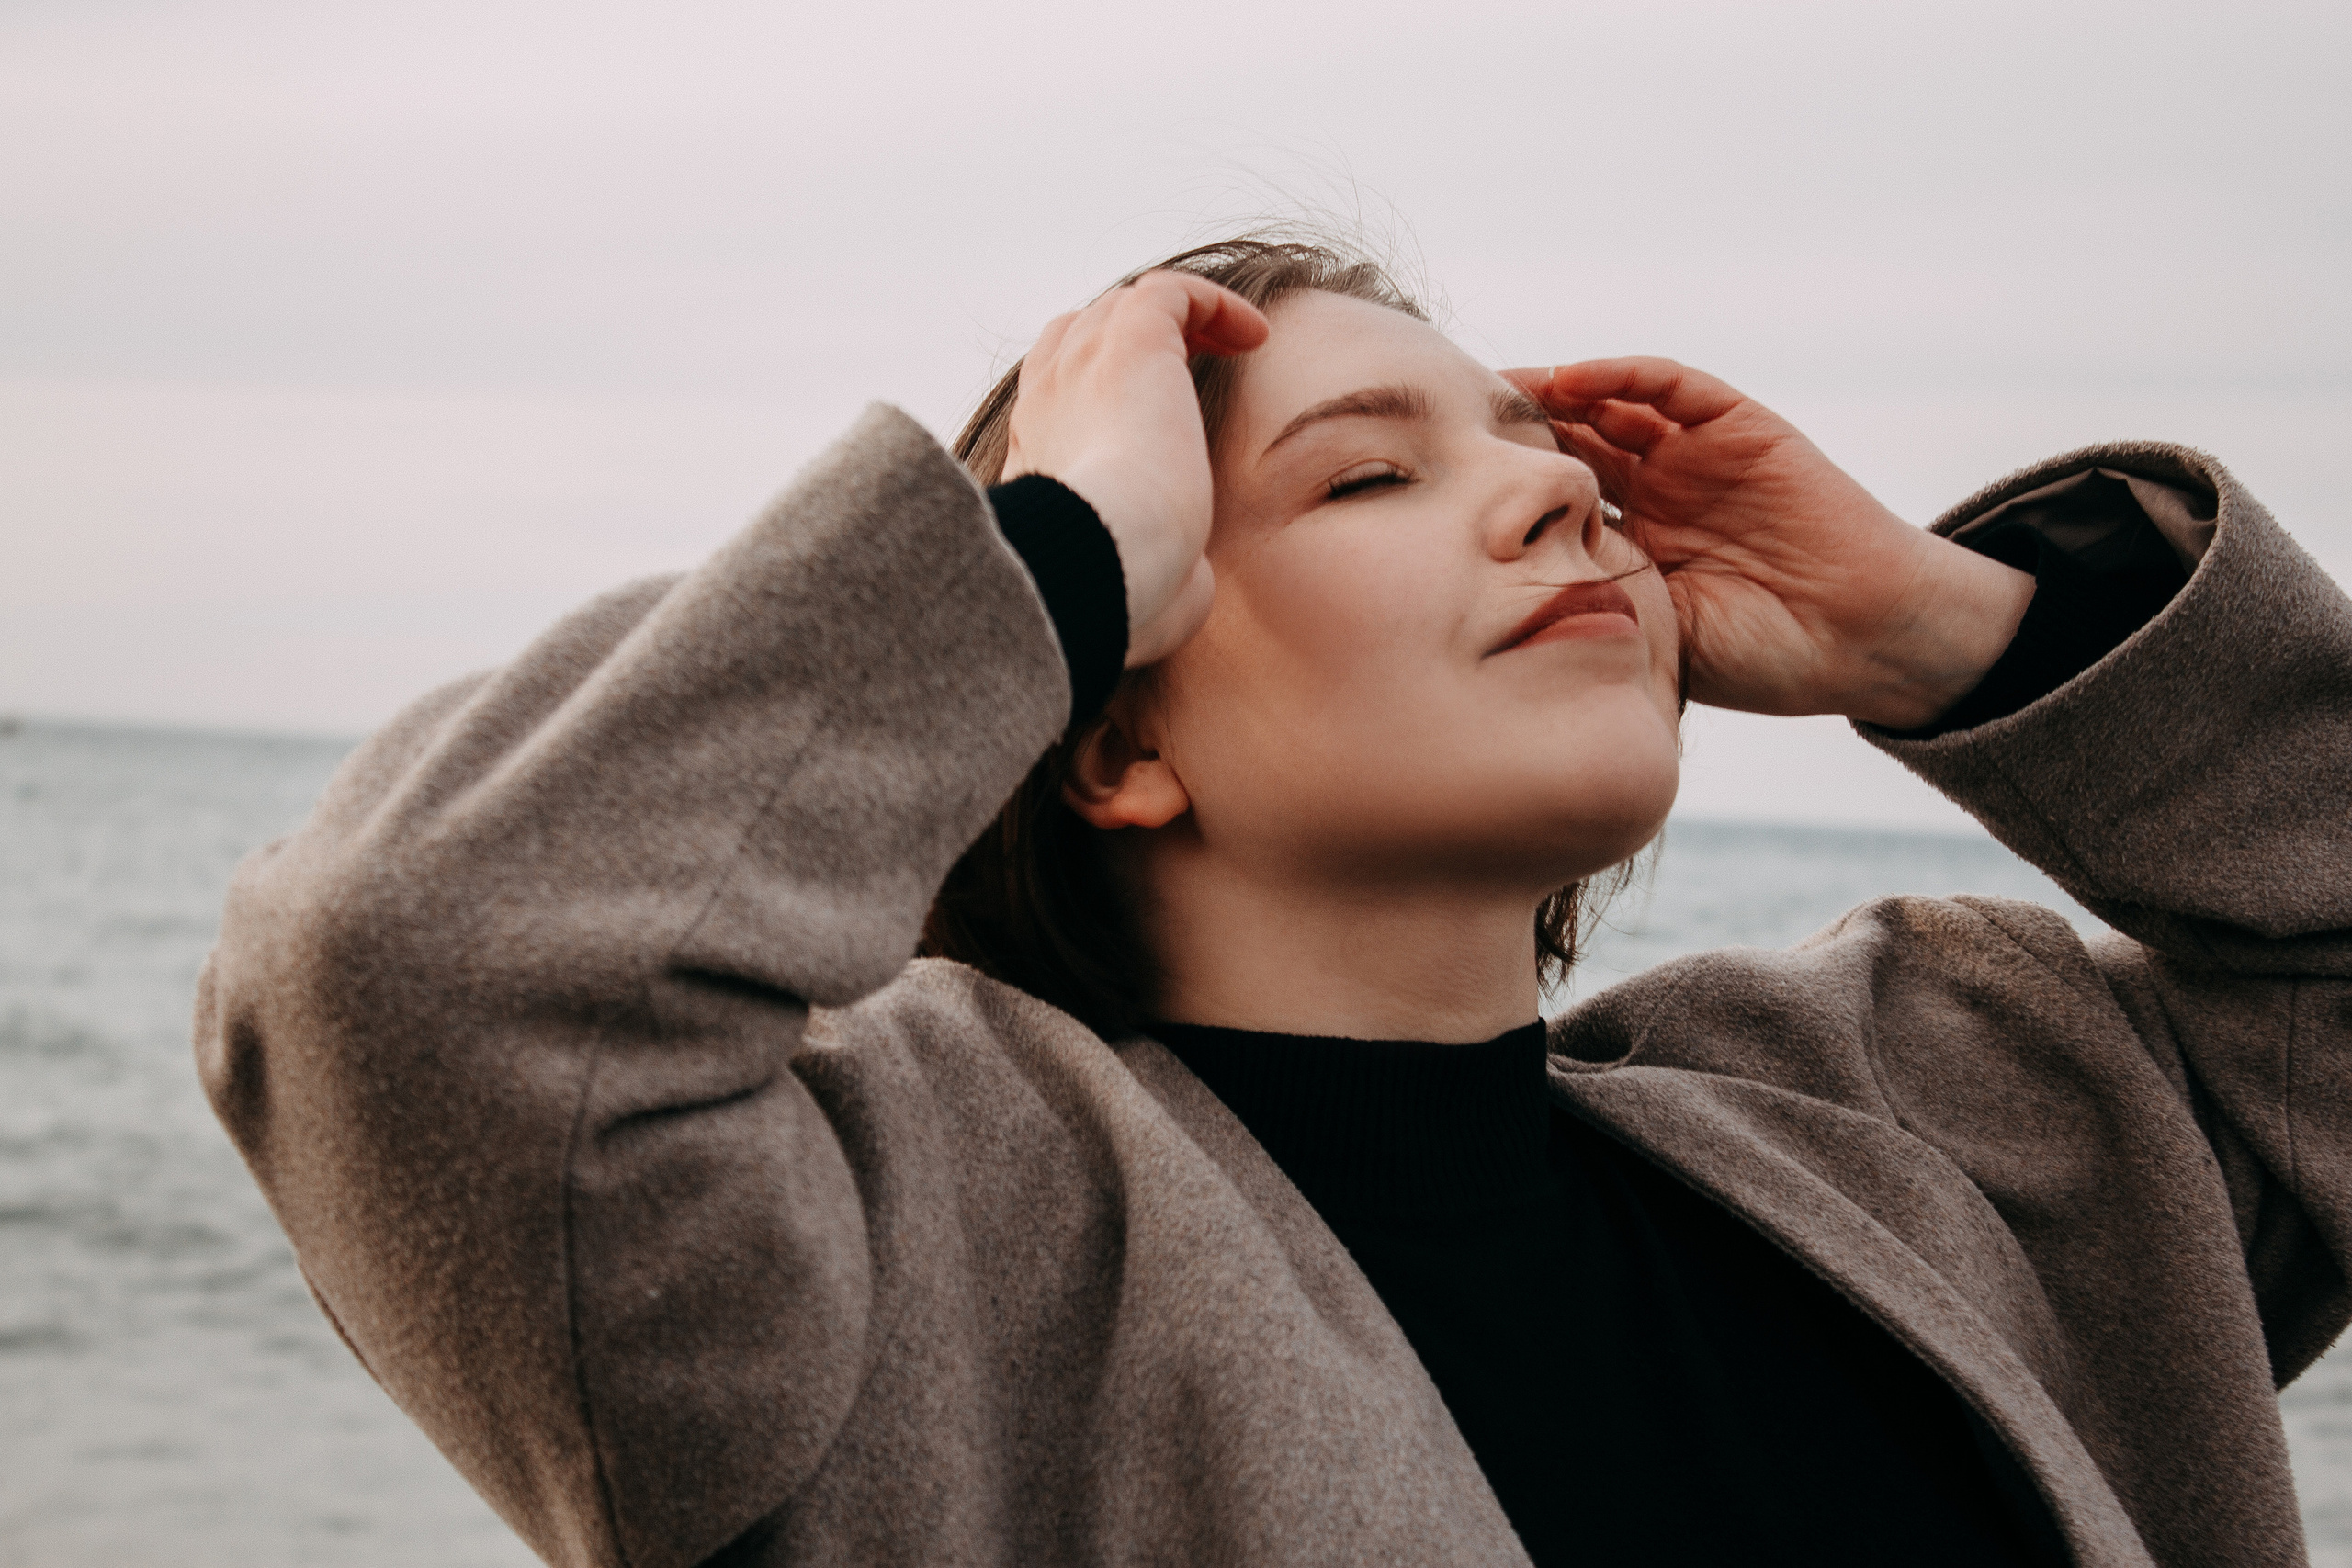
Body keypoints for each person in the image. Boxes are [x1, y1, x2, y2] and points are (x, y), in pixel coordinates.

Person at [197, 237, 2349, 1568]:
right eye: (1367, 470)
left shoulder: (1933, 1119)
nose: (1556, 489)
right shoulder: (896, 1258)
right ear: (1105, 730)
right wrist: (1041, 543)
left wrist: (1954, 628)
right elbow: (403, 975)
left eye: (1547, 452)